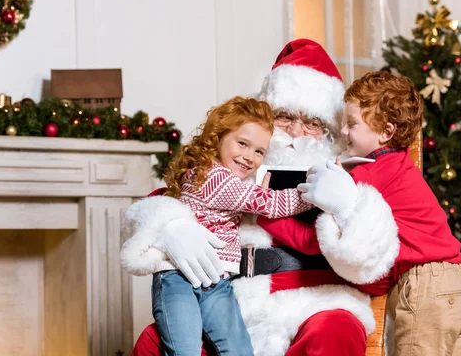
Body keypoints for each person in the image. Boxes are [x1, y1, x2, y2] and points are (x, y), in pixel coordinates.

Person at [122, 39, 400, 356]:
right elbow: (163, 201)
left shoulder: (348, 174)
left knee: (333, 332)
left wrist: (348, 208)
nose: (296, 132)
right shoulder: (237, 163)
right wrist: (170, 227)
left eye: (312, 122)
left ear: (331, 131)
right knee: (154, 343)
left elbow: (378, 271)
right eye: (284, 117)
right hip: (233, 296)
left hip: (318, 298)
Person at [299, 71, 461, 355]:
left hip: (425, 286)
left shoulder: (369, 174)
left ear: (386, 132)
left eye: (351, 124)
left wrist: (261, 212)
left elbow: (320, 236)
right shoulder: (401, 167)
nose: (343, 132)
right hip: (459, 284)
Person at [122, 96, 316, 356]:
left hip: (217, 282)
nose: (249, 157)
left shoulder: (218, 176)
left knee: (238, 350)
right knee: (184, 349)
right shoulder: (214, 177)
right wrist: (315, 193)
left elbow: (245, 202)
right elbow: (271, 204)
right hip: (178, 278)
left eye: (259, 151)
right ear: (218, 137)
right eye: (242, 144)